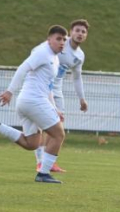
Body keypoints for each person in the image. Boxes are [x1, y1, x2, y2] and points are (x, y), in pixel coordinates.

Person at [0, 25, 68, 184]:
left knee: (31, 143)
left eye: (64, 40)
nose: (62, 42)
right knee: (58, 134)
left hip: (27, 102)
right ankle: (43, 174)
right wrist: (9, 91)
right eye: (58, 39)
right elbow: (23, 68)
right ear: (49, 40)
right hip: (34, 101)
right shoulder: (43, 52)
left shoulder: (54, 57)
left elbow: (48, 87)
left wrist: (54, 109)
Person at [35, 19, 90, 174]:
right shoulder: (58, 44)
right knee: (42, 126)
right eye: (77, 30)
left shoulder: (79, 55)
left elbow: (77, 77)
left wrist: (82, 98)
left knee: (57, 127)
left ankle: (49, 162)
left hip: (57, 91)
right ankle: (40, 163)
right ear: (70, 31)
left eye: (83, 32)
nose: (80, 34)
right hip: (43, 88)